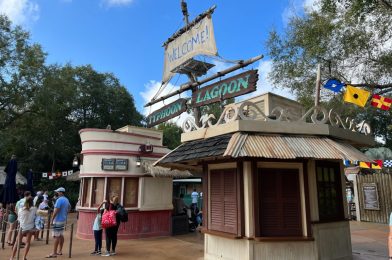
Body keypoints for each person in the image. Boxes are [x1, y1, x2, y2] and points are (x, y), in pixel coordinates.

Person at [46, 187, 70, 258]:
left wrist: (52, 220)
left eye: (58, 192)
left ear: (61, 192)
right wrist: (65, 214)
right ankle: (60, 251)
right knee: (60, 235)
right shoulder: (66, 199)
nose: (57, 193)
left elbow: (56, 210)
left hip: (58, 220)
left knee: (56, 236)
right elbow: (69, 207)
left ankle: (54, 253)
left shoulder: (59, 200)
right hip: (63, 219)